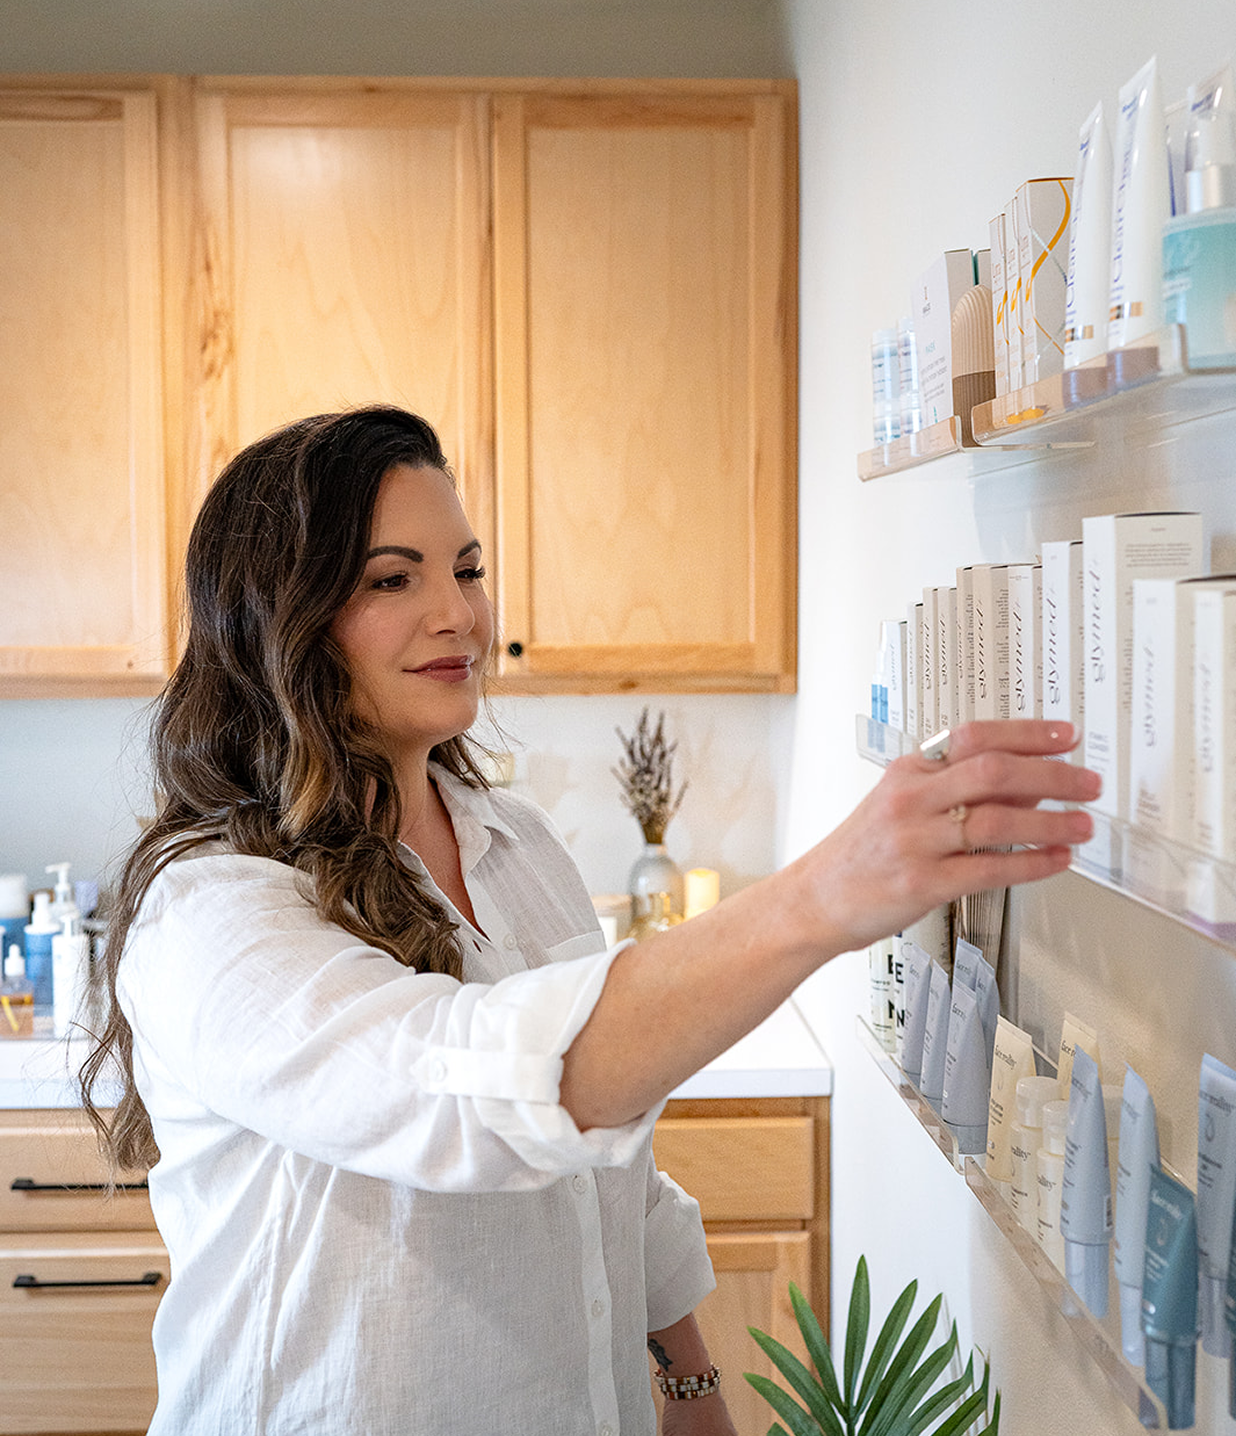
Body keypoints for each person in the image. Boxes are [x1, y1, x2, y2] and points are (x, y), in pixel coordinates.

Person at [80, 405, 1100, 1435]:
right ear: (278, 619)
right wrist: (824, 895)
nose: (459, 615)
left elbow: (612, 1158)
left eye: (467, 570)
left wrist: (691, 1380)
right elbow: (472, 1093)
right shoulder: (212, 906)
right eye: (394, 578)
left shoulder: (514, 843)